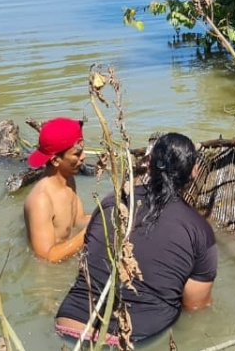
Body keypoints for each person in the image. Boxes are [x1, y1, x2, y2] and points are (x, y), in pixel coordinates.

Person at [55, 132, 216, 343]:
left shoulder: (112, 203)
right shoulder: (200, 230)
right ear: (194, 171)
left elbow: (88, 261)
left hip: (67, 325)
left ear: (148, 165)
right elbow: (195, 306)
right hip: (132, 339)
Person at [23, 117, 89, 262]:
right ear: (55, 160)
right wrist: (89, 234)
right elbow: (47, 257)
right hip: (50, 277)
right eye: (77, 154)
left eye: (82, 151)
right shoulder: (41, 200)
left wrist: (107, 217)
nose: (84, 156)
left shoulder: (68, 179)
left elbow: (79, 220)